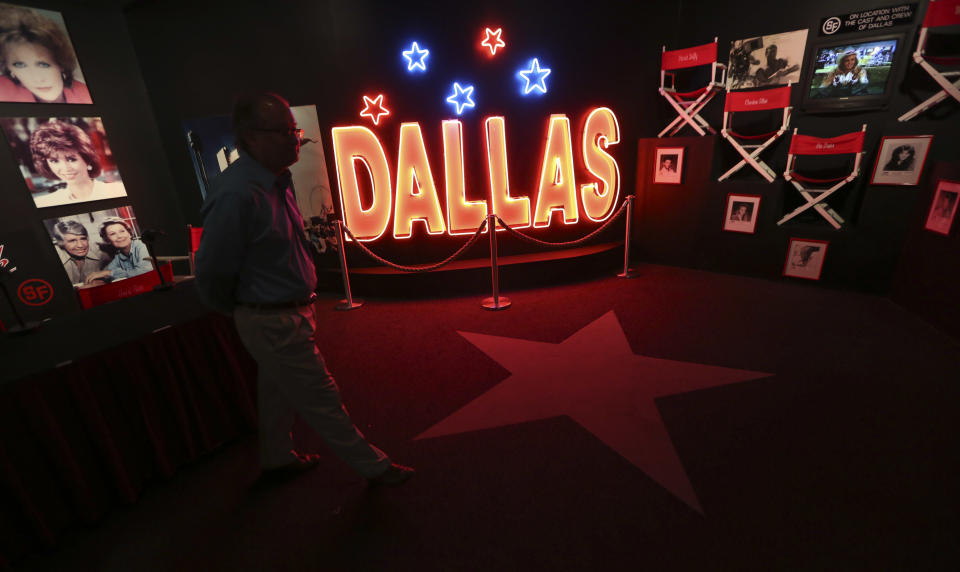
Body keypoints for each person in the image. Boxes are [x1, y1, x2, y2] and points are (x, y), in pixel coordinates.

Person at [194, 92, 413, 485]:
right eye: (281, 132)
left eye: (293, 129)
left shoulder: (275, 179)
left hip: (285, 312)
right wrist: (245, 310)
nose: (294, 139)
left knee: (276, 390)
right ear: (249, 138)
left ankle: (276, 456)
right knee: (321, 395)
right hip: (271, 317)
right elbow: (211, 270)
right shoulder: (238, 194)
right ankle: (376, 468)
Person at [0, 4, 92, 103]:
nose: (37, 79)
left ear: (62, 64)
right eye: (20, 65)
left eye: (44, 64)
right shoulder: (4, 91)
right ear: (10, 69)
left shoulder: (85, 94)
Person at [29, 120, 126, 207]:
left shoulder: (118, 191)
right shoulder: (45, 203)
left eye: (71, 159)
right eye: (54, 161)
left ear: (87, 159)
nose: (65, 168)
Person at [83, 218, 154, 284]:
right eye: (112, 234)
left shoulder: (142, 246)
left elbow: (146, 271)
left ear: (129, 233)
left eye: (122, 231)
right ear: (107, 240)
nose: (119, 236)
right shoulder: (119, 256)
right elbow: (104, 272)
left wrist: (108, 273)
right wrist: (99, 280)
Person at [52, 219, 107, 285]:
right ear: (61, 243)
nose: (80, 245)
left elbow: (115, 270)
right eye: (72, 241)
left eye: (83, 238)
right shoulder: (54, 257)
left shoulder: (98, 251)